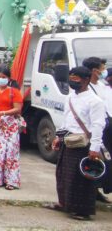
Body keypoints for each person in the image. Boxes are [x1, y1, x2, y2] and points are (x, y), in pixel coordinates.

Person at [49, 66, 107, 221]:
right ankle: (64, 203)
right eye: (71, 78)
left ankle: (82, 211)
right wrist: (58, 137)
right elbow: (66, 119)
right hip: (68, 140)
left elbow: (98, 125)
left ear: (86, 80)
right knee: (63, 174)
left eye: (76, 78)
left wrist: (94, 148)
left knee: (80, 179)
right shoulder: (70, 97)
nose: (72, 81)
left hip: (83, 143)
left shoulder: (95, 101)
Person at [0, 66, 23, 190]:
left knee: (11, 152)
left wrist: (3, 113)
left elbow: (18, 109)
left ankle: (11, 181)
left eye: (4, 77)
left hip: (10, 125)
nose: (1, 79)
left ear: (9, 78)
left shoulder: (14, 92)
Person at [82, 57, 112, 201]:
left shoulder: (102, 85)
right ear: (94, 71)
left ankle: (98, 189)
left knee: (106, 160)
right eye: (102, 68)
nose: (104, 71)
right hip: (94, 129)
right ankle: (91, 191)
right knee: (93, 159)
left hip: (106, 127)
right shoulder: (86, 88)